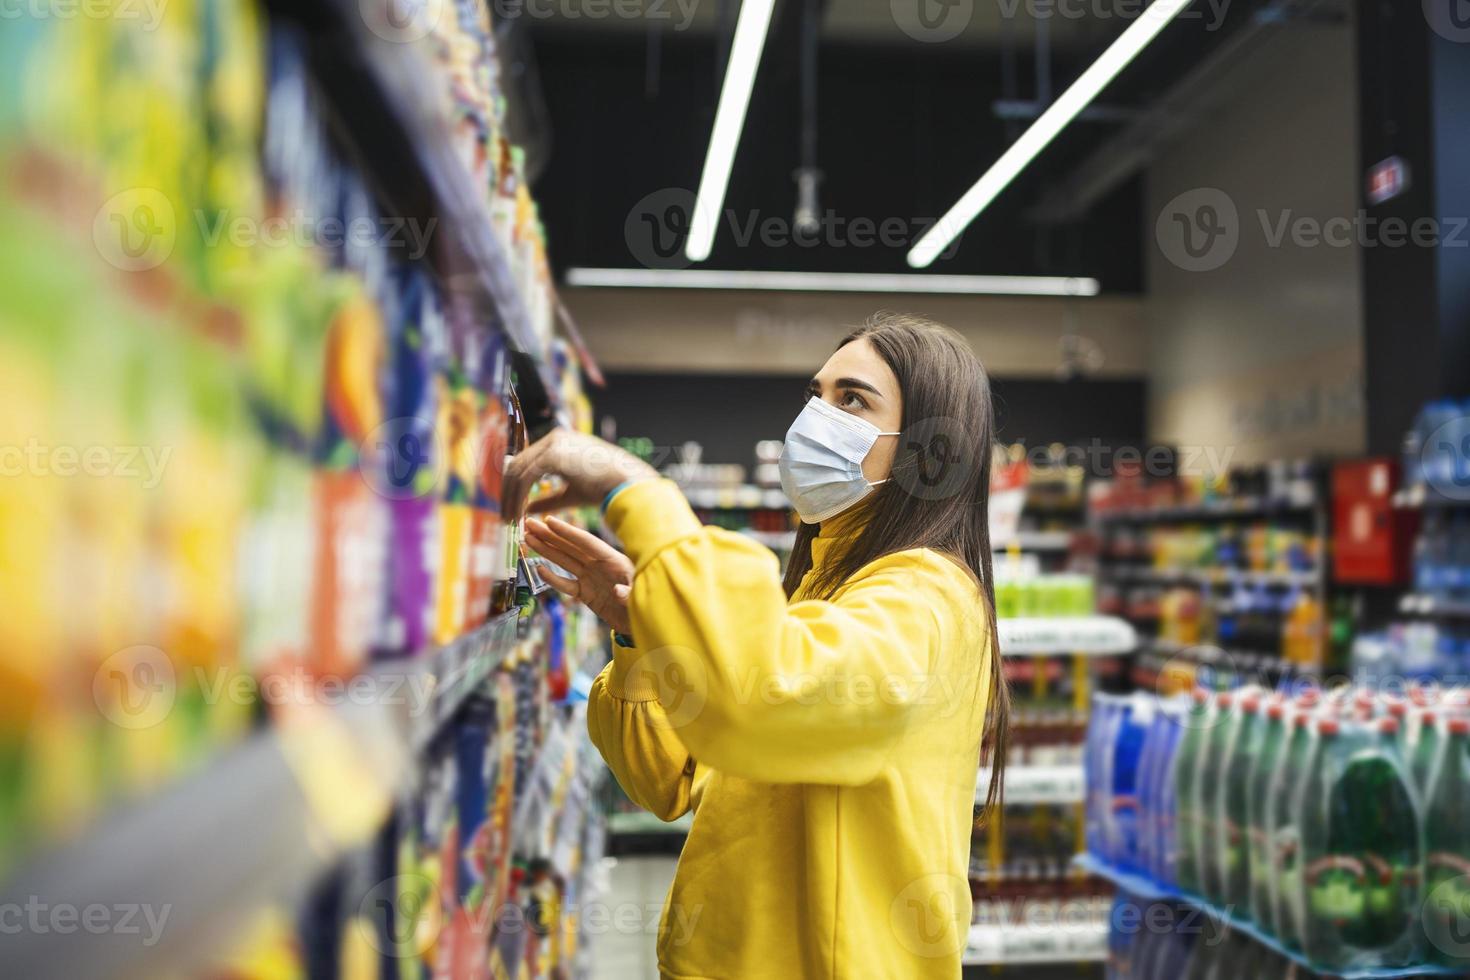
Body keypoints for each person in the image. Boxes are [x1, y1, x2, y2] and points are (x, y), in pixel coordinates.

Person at [503, 313, 1008, 979]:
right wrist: (638, 632)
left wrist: (641, 494)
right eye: (816, 394)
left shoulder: (928, 599)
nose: (817, 417)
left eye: (852, 399)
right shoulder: (823, 589)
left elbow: (755, 702)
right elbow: (670, 780)